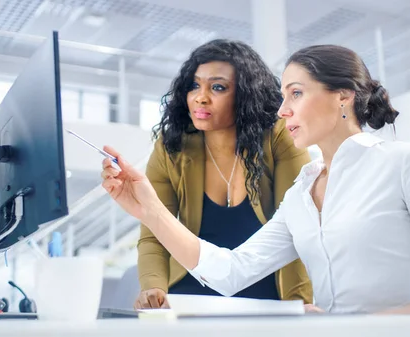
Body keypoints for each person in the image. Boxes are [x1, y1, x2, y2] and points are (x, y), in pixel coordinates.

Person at [101, 44, 410, 314]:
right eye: (283, 97)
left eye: (296, 94)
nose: (282, 111)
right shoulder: (302, 191)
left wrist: (360, 328)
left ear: (342, 97)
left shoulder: (406, 163)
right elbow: (231, 272)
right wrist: (149, 209)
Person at [134, 39, 313, 309]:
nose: (200, 97)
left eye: (217, 87)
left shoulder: (279, 137)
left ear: (245, 94)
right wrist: (153, 287)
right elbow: (153, 231)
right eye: (195, 85)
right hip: (190, 296)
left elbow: (299, 230)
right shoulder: (171, 145)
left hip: (266, 297)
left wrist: (298, 304)